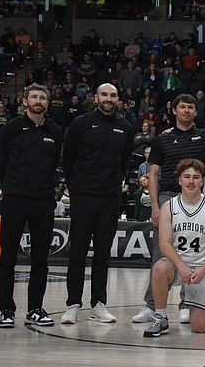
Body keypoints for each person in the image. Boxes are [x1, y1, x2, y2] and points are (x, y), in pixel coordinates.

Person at [131, 94, 205, 324]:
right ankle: (152, 305)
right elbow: (153, 173)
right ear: (175, 110)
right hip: (168, 199)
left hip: (195, 199)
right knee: (162, 254)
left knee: (194, 253)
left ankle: (186, 304)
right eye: (182, 107)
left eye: (191, 107)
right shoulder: (161, 139)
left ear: (196, 112)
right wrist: (155, 206)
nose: (187, 111)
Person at [59, 83, 134, 324]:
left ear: (118, 99)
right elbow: (68, 159)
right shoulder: (81, 123)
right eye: (104, 94)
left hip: (110, 198)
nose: (109, 99)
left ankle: (98, 304)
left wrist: (113, 184)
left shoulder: (126, 127)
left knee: (103, 254)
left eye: (113, 95)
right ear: (96, 97)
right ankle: (72, 304)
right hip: (83, 197)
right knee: (77, 253)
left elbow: (124, 162)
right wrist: (75, 188)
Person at [0, 84, 64, 328]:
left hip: (43, 202)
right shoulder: (11, 129)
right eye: (34, 97)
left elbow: (56, 162)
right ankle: (6, 310)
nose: (38, 100)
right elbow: (0, 163)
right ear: (25, 101)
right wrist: (14, 186)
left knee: (40, 260)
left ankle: (35, 308)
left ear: (47, 102)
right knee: (8, 258)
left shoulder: (55, 130)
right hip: (14, 200)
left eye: (42, 97)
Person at [143, 159, 205, 337]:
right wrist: (181, 266)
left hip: (201, 270)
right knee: (159, 267)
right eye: (187, 177)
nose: (191, 181)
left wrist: (203, 270)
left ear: (202, 181)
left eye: (196, 177)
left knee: (199, 327)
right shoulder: (169, 206)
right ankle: (161, 318)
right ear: (179, 180)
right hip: (178, 267)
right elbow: (164, 243)